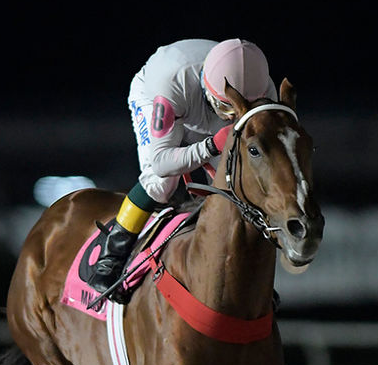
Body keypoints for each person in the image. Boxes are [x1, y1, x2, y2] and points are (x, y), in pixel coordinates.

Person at [87, 38, 277, 299]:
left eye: (238, 111)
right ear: (209, 89)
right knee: (161, 183)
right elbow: (162, 162)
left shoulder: (264, 88)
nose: (229, 117)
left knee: (236, 182)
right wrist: (210, 146)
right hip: (160, 97)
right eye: (226, 107)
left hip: (197, 101)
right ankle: (109, 259)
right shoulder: (172, 84)